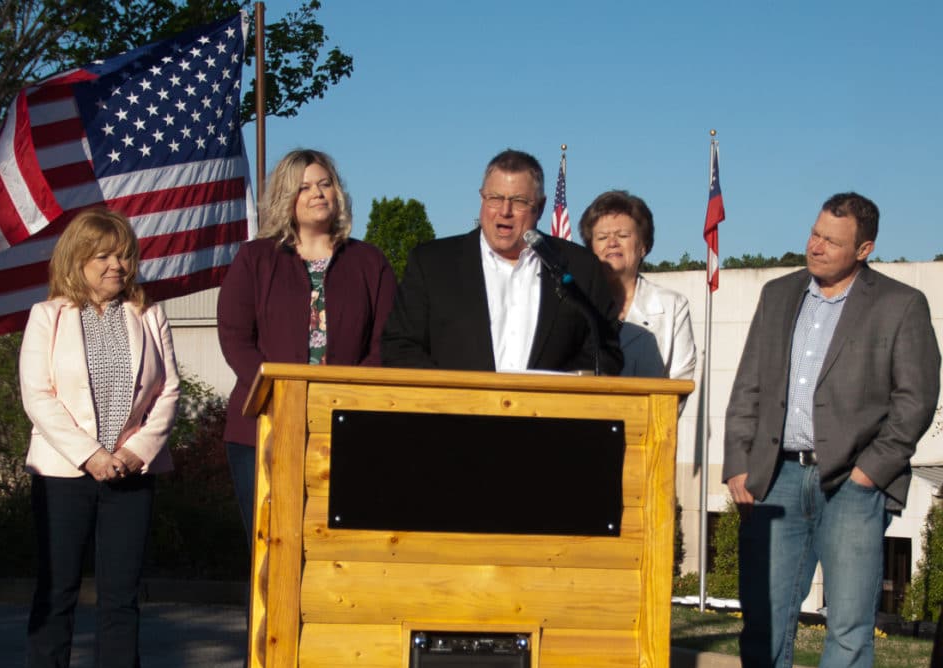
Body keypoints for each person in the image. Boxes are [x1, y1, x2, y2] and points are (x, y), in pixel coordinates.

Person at [723, 192, 940, 668]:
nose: (815, 246)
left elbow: (916, 400)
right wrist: (737, 462)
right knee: (764, 621)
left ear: (864, 248)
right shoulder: (778, 294)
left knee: (847, 627)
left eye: (832, 240)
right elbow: (749, 383)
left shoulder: (900, 305)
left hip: (852, 487)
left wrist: (871, 473)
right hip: (775, 478)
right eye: (815, 233)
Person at [20, 207, 180, 668]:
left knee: (121, 602)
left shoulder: (149, 314)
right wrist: (90, 456)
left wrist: (136, 451)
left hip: (132, 476)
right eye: (105, 256)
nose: (118, 265)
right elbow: (37, 396)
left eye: (124, 255)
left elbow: (169, 390)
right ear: (78, 259)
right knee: (57, 595)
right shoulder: (48, 316)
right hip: (63, 476)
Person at [217, 149, 396, 544]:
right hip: (263, 427)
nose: (318, 193)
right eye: (304, 187)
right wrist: (279, 394)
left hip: (345, 428)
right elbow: (235, 337)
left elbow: (385, 342)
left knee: (333, 550)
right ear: (286, 198)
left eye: (325, 183)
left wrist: (343, 397)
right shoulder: (254, 259)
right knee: (269, 549)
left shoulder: (369, 262)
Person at [381, 148, 622, 374]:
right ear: (481, 198)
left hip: (547, 415)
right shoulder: (432, 264)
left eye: (518, 201)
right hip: (453, 415)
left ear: (540, 207)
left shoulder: (579, 268)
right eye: (494, 198)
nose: (504, 211)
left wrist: (552, 394)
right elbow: (399, 346)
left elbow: (605, 351)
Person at [579, 190, 696, 384]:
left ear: (643, 246)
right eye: (601, 237)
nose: (612, 243)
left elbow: (680, 381)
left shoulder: (673, 306)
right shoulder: (572, 300)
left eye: (623, 235)